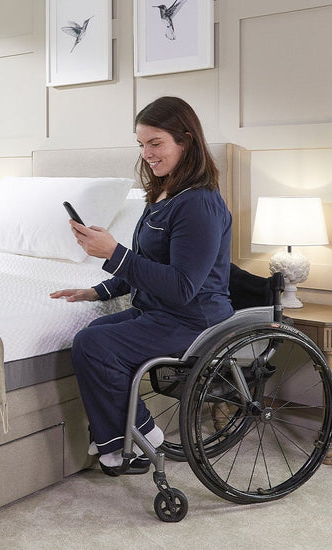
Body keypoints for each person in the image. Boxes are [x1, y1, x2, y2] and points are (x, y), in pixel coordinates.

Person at [49, 96, 234, 476]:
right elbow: (148, 264)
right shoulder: (164, 195)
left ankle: (142, 433)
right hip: (160, 311)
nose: (147, 154)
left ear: (185, 140)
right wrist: (97, 291)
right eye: (141, 144)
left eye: (155, 143)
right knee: (92, 333)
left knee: (95, 343)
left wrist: (113, 252)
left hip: (193, 319)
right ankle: (118, 442)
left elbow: (182, 286)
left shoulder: (199, 204)